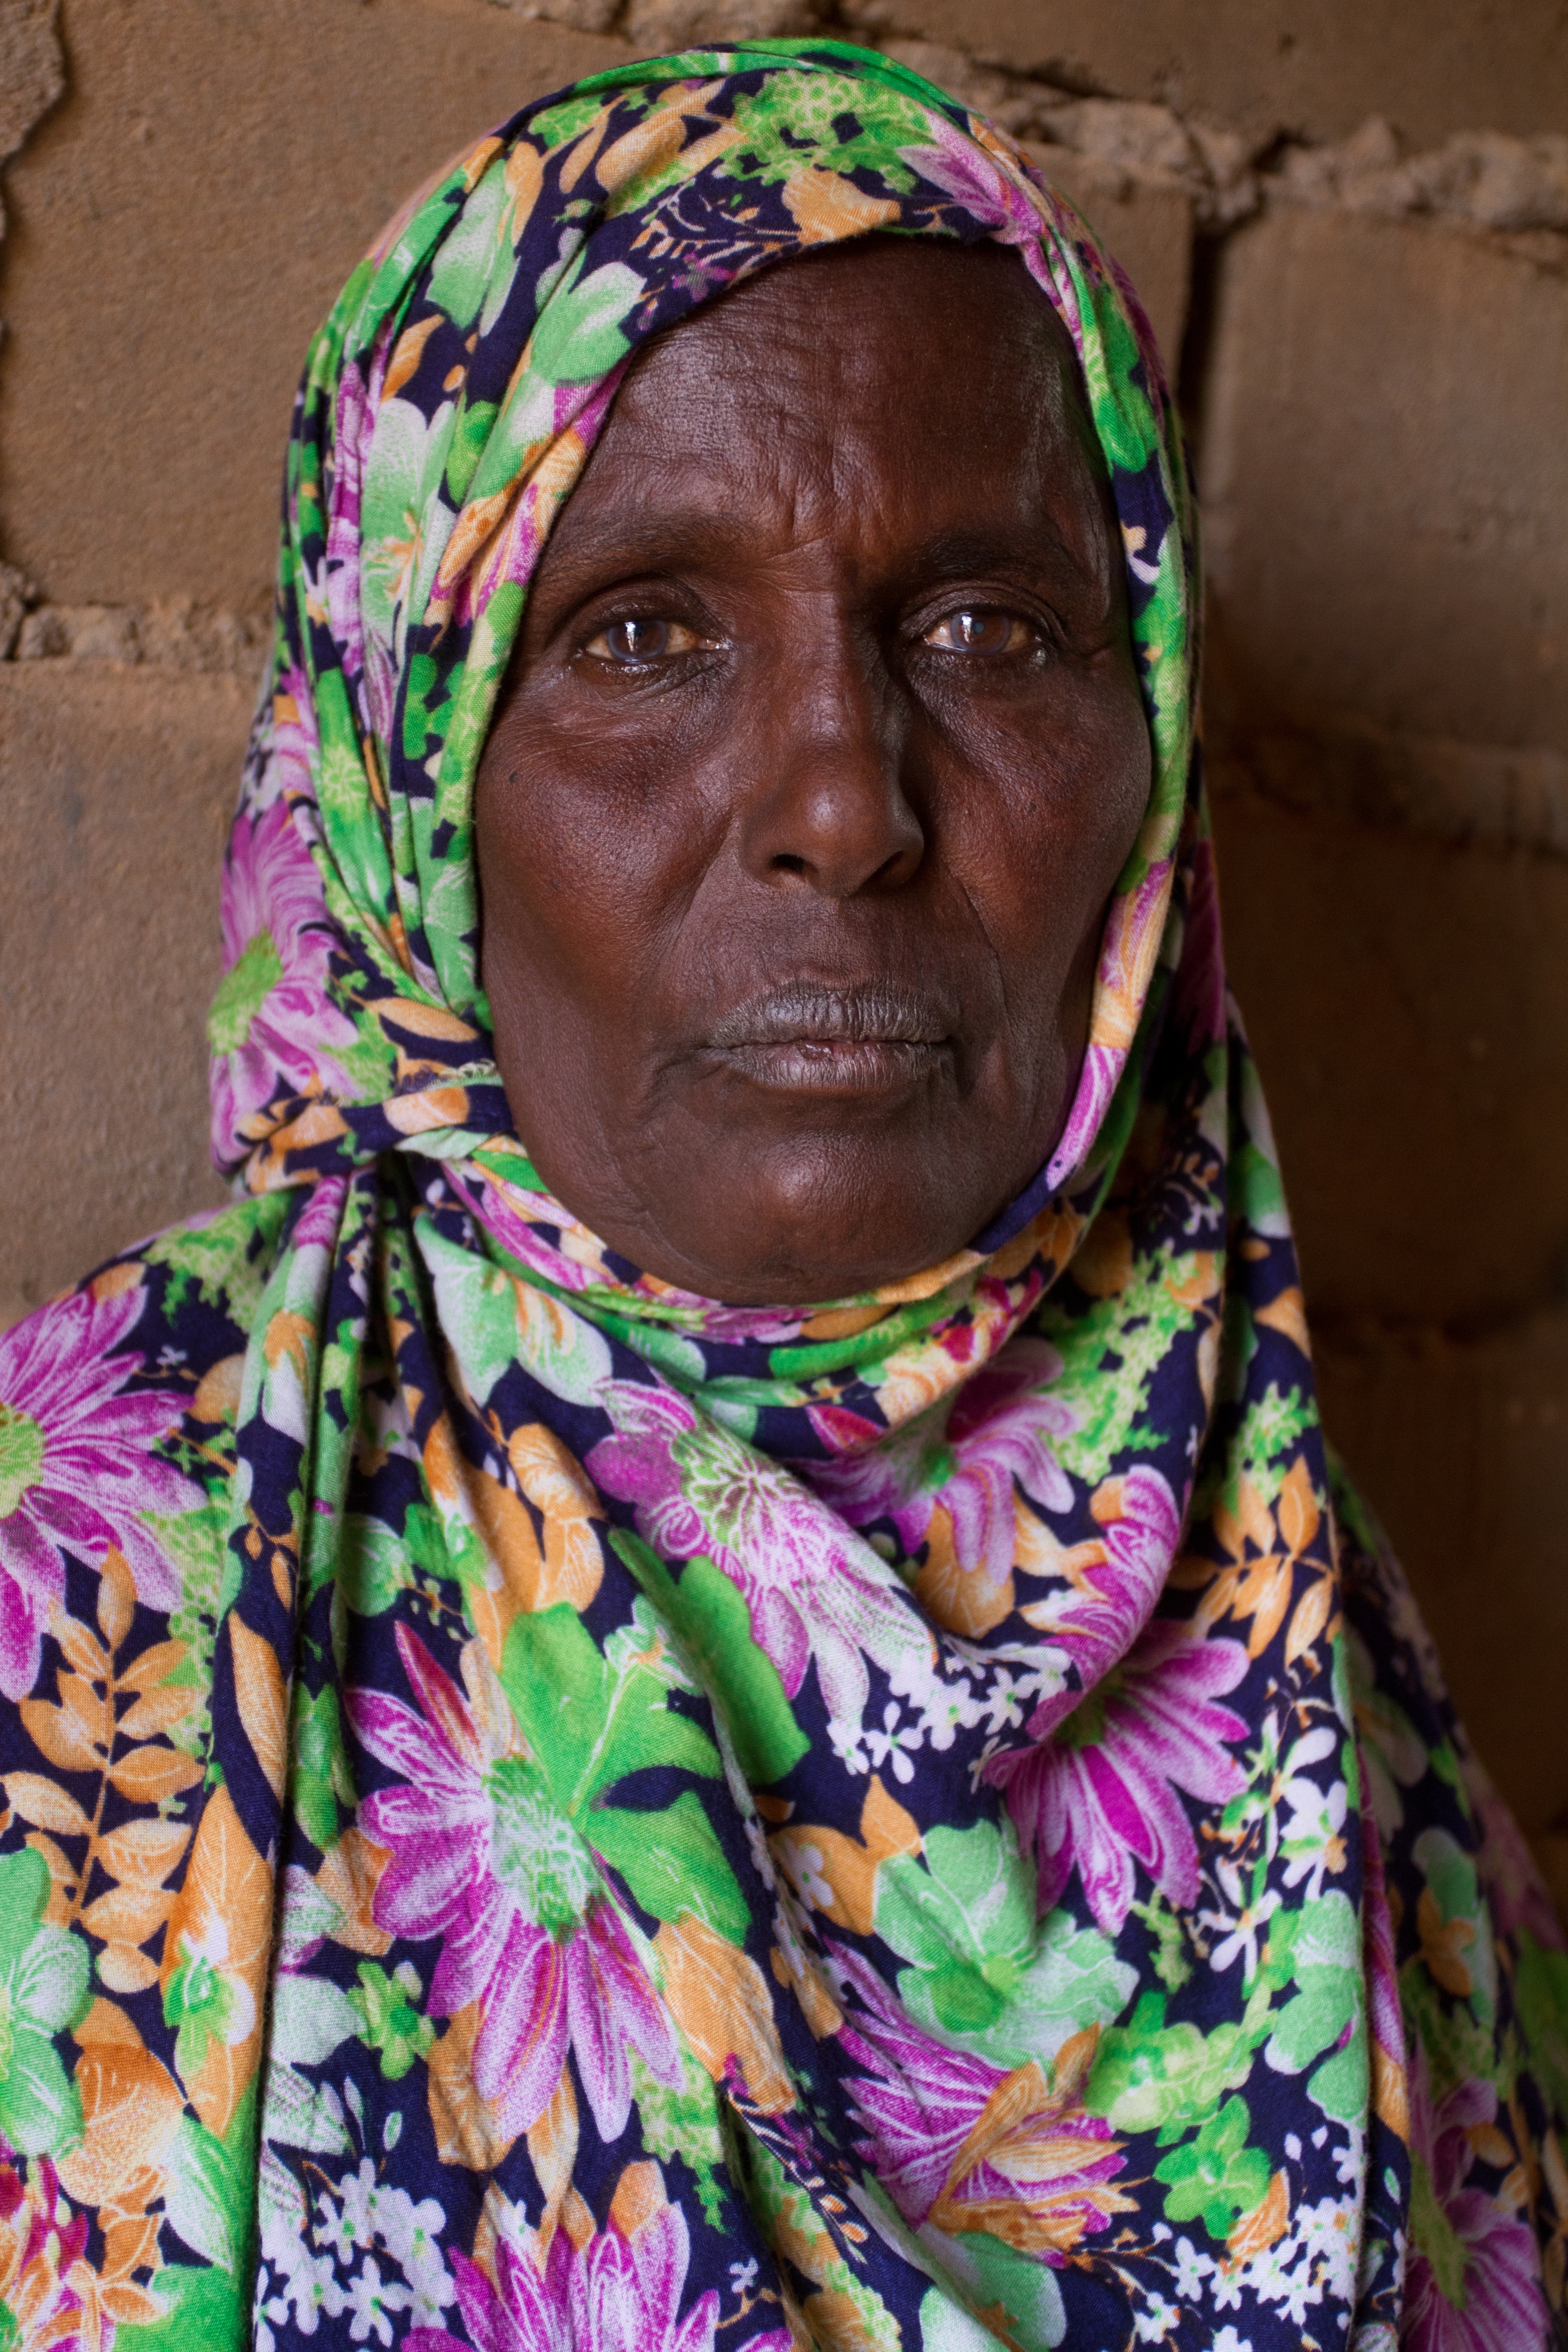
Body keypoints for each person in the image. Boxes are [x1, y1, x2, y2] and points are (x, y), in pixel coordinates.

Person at [0, 39, 1562, 2352]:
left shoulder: (1294, 1636)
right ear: (406, 776)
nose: (845, 800)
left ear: (1148, 766)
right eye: (641, 635)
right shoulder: (75, 1611)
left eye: (986, 630)